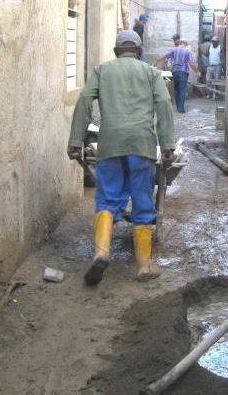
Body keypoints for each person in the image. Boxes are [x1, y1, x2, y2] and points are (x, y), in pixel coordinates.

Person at [67, 29, 176, 285]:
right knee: (142, 200)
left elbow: (84, 100)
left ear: (117, 51)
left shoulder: (102, 71)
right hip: (142, 145)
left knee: (106, 199)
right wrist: (168, 144)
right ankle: (143, 266)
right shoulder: (150, 72)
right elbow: (163, 105)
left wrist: (75, 141)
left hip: (110, 143)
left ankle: (102, 252)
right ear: (138, 51)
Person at [154, 34, 200, 113]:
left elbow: (164, 56)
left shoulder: (174, 50)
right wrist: (197, 71)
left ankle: (178, 106)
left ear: (180, 42)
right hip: (183, 72)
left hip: (175, 71)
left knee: (176, 89)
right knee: (182, 90)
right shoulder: (187, 51)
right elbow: (191, 63)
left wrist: (156, 61)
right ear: (185, 44)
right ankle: (181, 108)